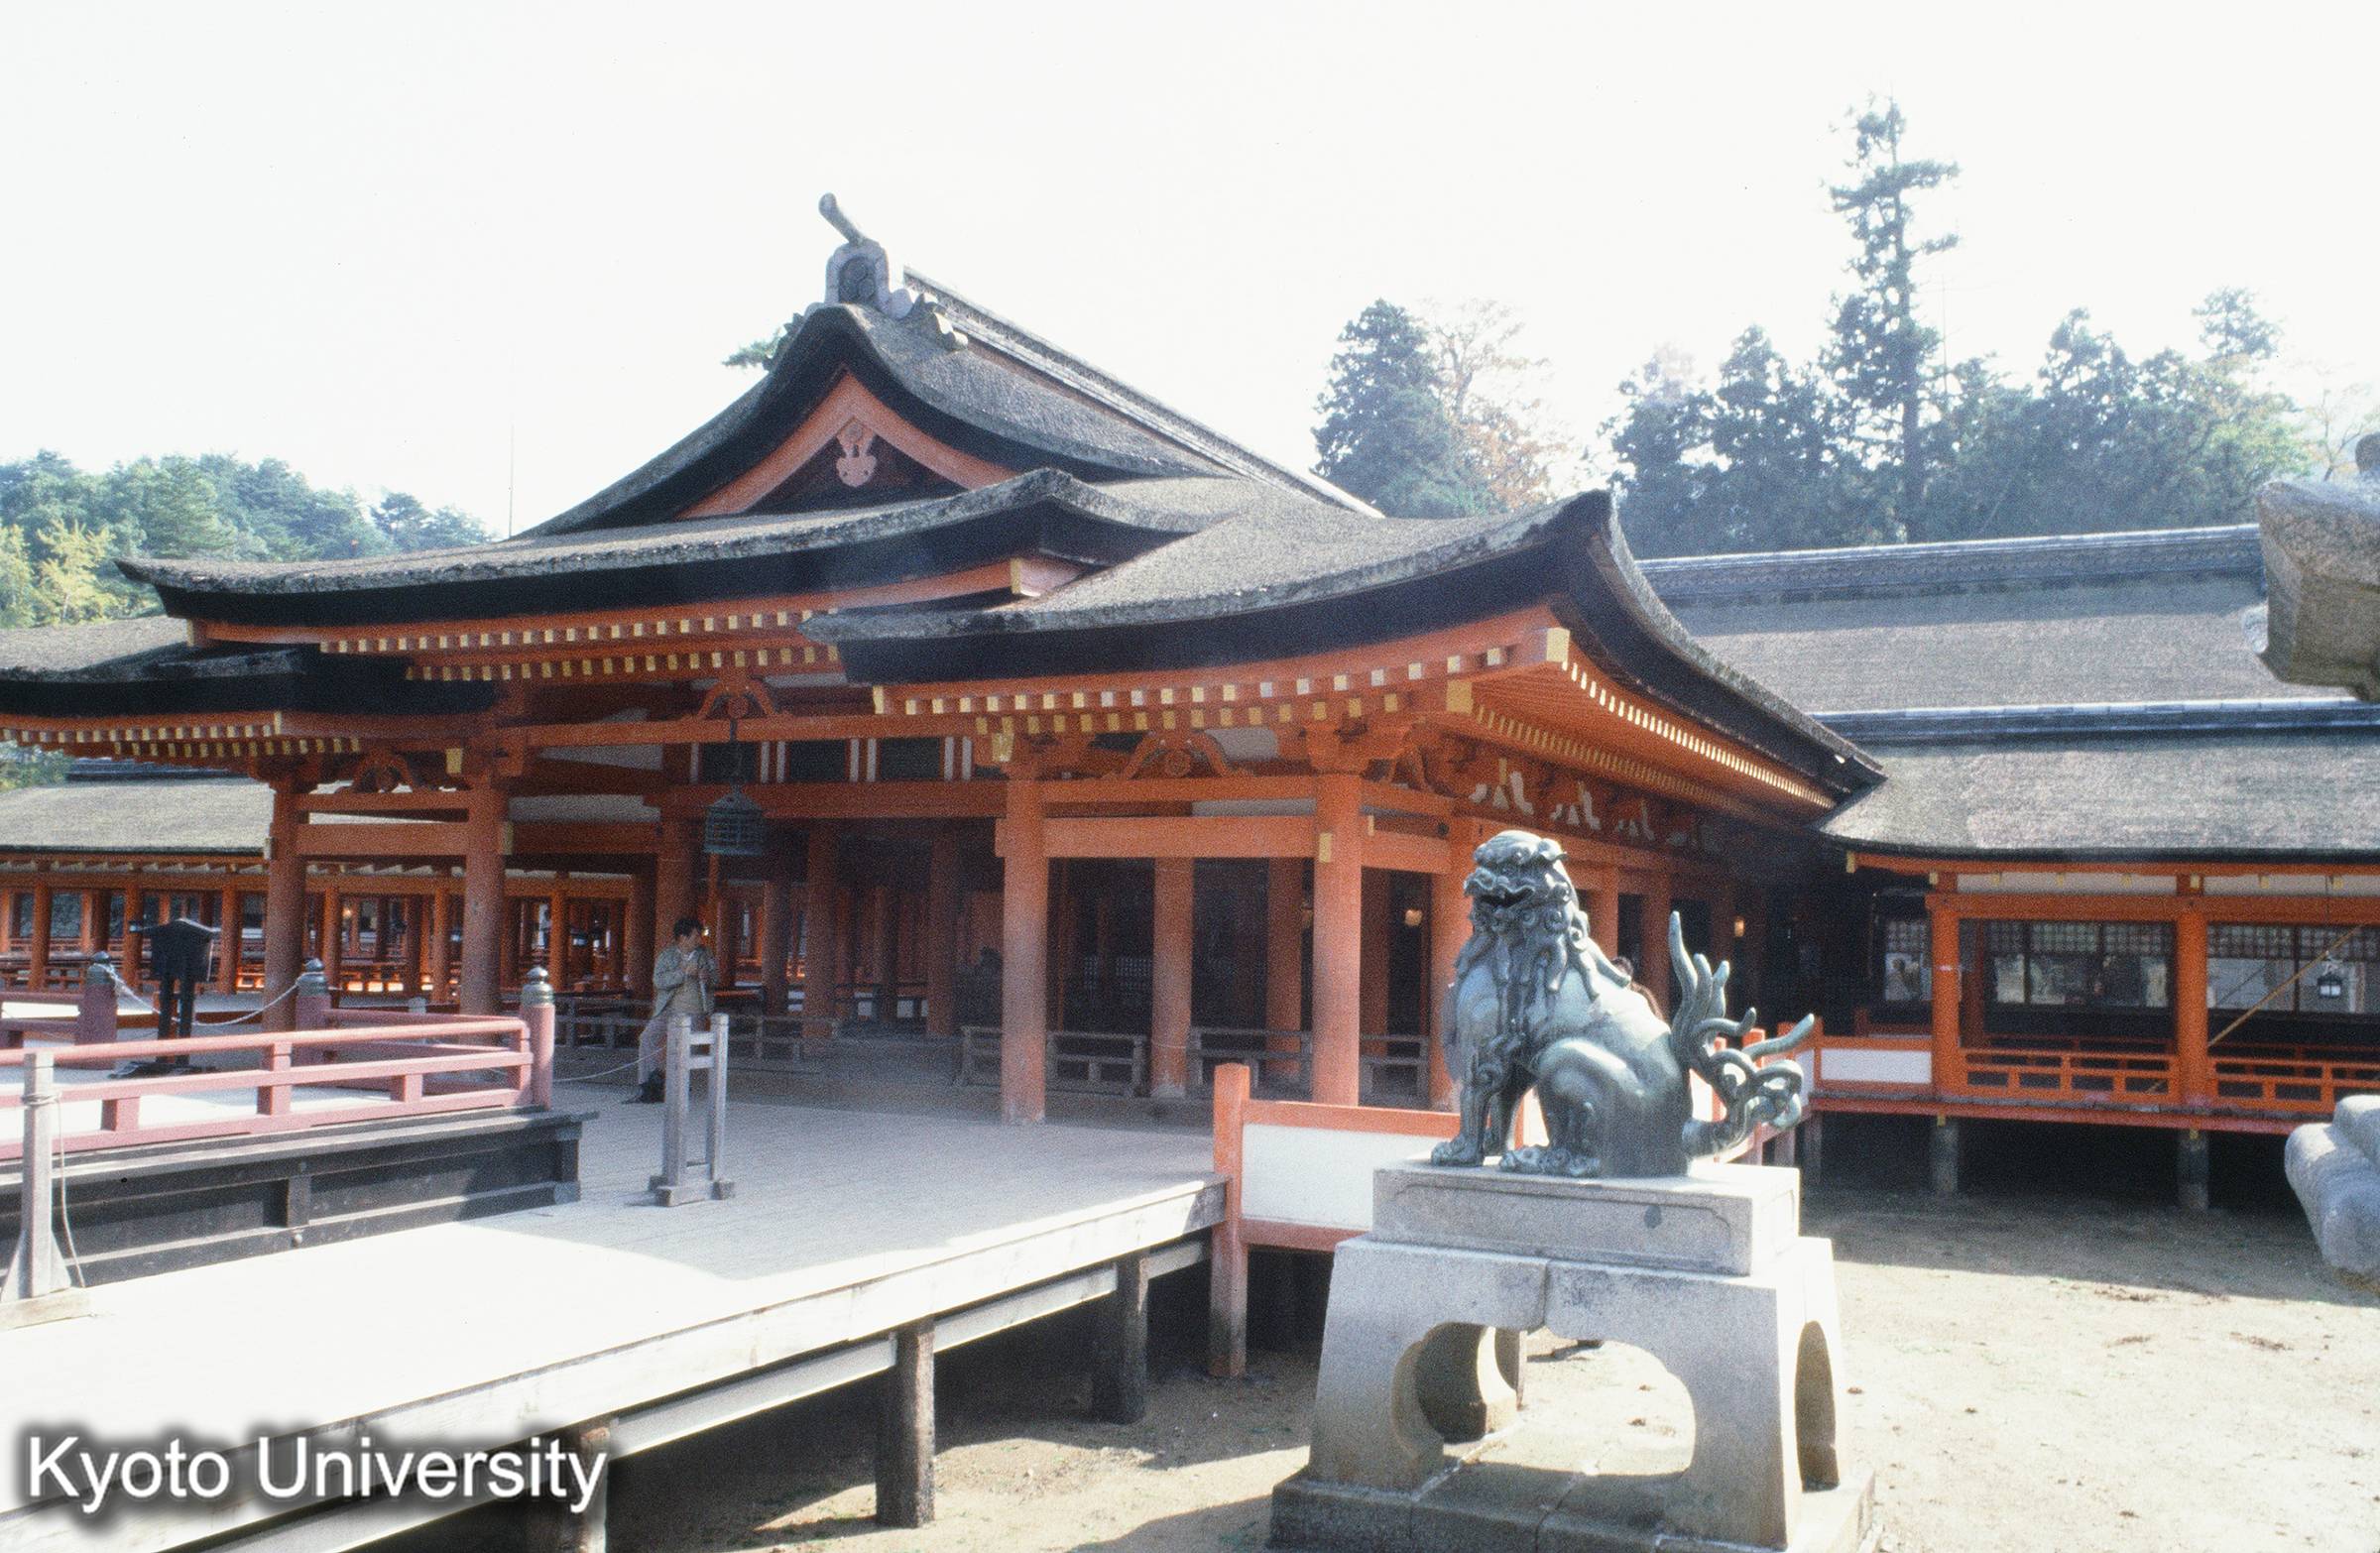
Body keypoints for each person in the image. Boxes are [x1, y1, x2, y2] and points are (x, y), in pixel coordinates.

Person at [627, 917, 716, 1104]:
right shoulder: (667, 956)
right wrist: (682, 973)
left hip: (695, 1011)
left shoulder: (705, 955)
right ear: (682, 937)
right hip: (669, 1010)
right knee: (647, 1039)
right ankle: (648, 1084)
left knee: (685, 1050)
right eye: (695, 936)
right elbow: (658, 981)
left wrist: (707, 977)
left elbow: (716, 980)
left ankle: (675, 1086)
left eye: (699, 936)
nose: (698, 940)